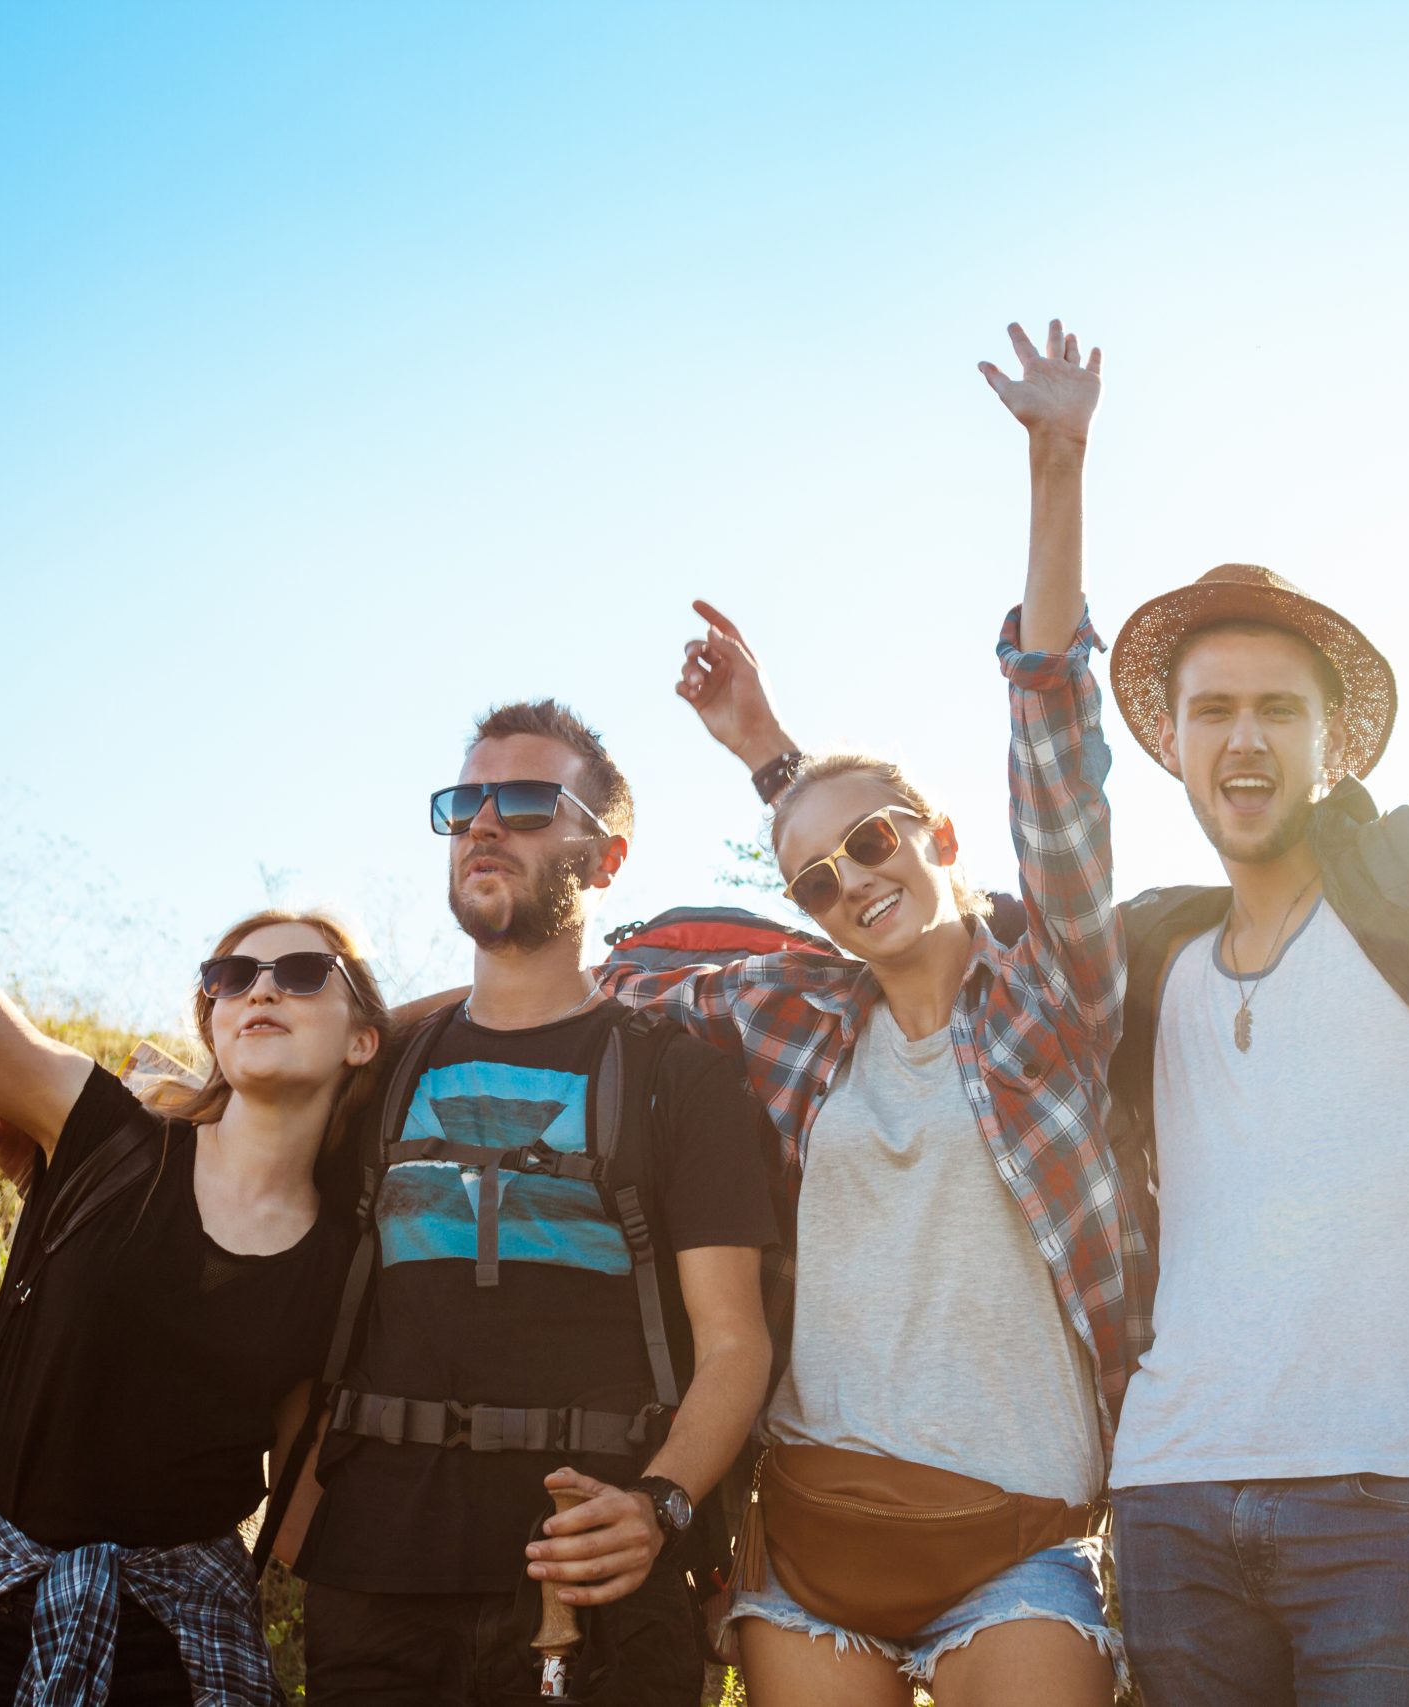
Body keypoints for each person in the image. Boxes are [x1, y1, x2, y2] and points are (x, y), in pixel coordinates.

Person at [598, 319, 1127, 1706]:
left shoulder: (1051, 995)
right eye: (819, 882)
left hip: (1018, 1532)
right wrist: (349, 1020)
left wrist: (1056, 465)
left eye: (877, 848)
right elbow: (572, 987)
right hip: (814, 1543)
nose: (852, 884)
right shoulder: (795, 1017)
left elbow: (1059, 752)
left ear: (938, 830)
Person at [0, 564, 387, 1707]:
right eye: (231, 973)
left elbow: (306, 1511)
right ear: (207, 1013)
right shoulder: (104, 1138)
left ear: (360, 1037)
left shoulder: (345, 1257)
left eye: (303, 973)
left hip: (183, 1647)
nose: (261, 988)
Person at [285, 693, 780, 1707]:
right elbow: (293, 1307)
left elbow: (736, 1344)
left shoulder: (675, 1080)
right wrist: (301, 1526)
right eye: (465, 801)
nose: (483, 821)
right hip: (373, 1575)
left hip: (603, 1574)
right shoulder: (377, 1075)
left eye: (524, 799)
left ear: (606, 859)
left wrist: (661, 1506)